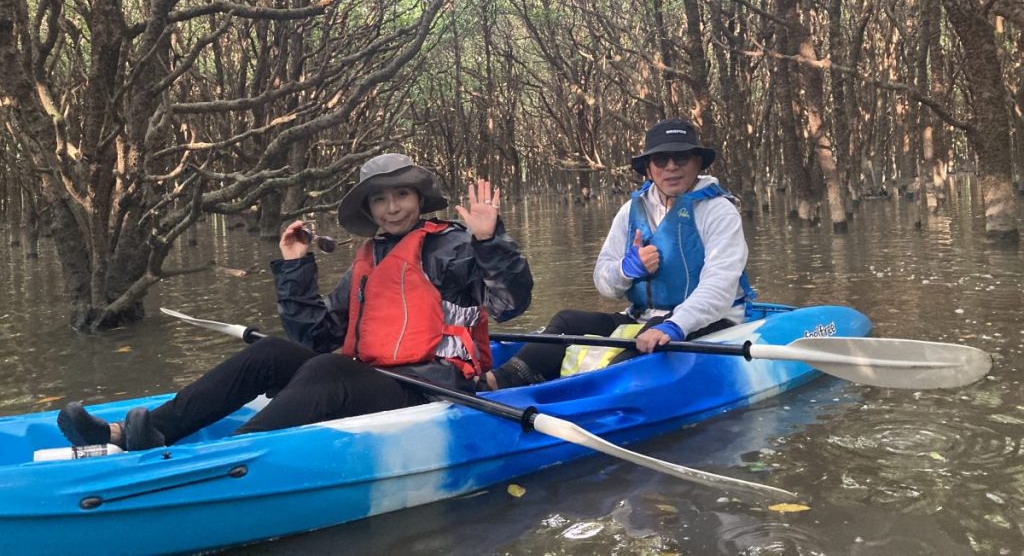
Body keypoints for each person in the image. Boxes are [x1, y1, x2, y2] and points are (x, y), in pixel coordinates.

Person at [58, 153, 533, 450]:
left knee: (325, 372)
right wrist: (295, 268)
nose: (393, 207)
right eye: (381, 199)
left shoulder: (450, 247)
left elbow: (509, 303)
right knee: (270, 353)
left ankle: (229, 457)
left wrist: (490, 240)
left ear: (418, 197)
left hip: (430, 387)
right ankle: (141, 433)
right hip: (370, 379)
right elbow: (319, 337)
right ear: (369, 210)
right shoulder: (369, 261)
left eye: (402, 194)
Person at [482, 119, 755, 389]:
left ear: (697, 163)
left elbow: (720, 286)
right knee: (567, 320)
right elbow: (604, 283)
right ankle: (497, 382)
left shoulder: (718, 210)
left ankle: (586, 395)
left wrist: (675, 325)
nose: (671, 167)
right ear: (649, 169)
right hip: (644, 317)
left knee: (649, 341)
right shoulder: (631, 211)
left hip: (708, 320)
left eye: (681, 158)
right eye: (661, 160)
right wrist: (627, 270)